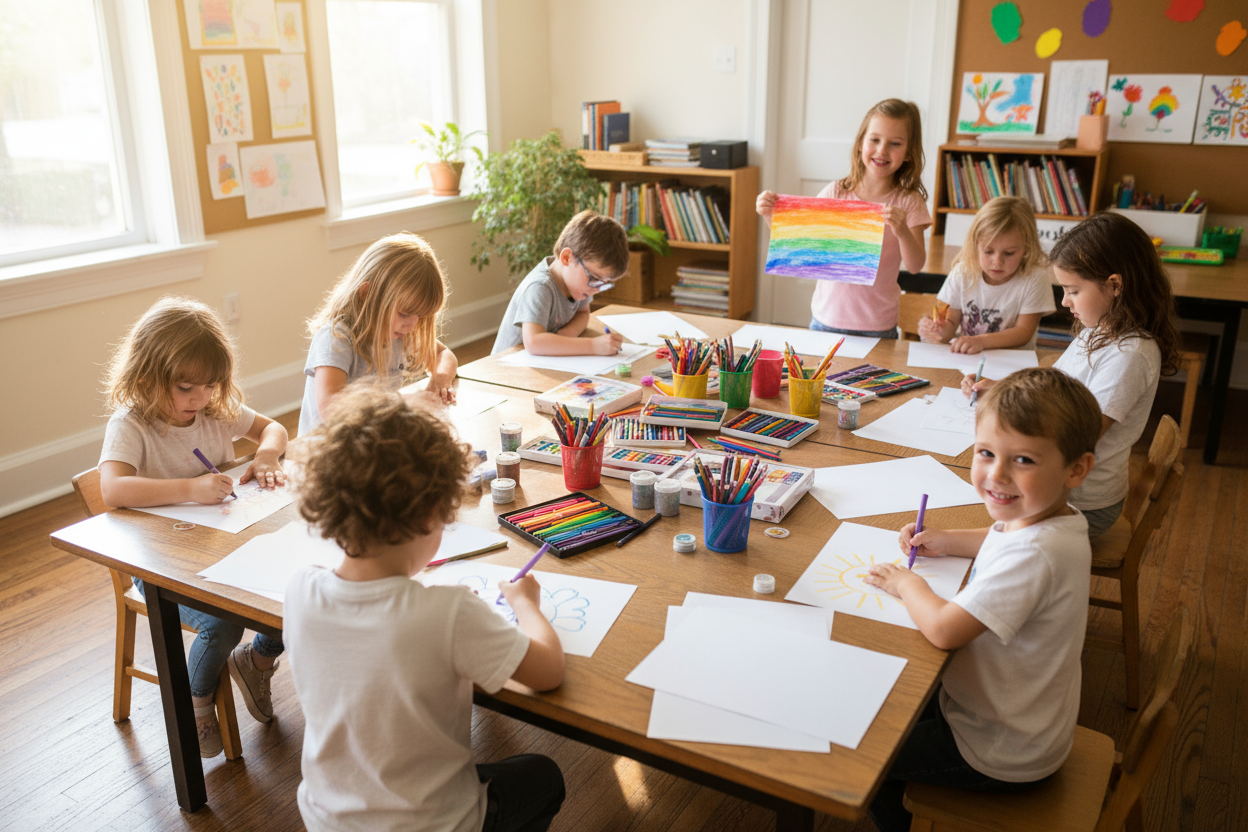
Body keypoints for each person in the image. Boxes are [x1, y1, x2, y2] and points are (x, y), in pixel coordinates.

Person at [285, 382, 566, 832]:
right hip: (433, 825)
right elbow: (548, 671)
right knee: (543, 775)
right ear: (429, 516)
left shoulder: (300, 589)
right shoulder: (447, 612)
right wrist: (526, 604)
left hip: (327, 818)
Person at [863, 367, 1100, 832]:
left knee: (871, 757)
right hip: (1018, 720)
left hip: (997, 750)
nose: (997, 475)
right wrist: (948, 540)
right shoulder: (1052, 519)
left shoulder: (1037, 553)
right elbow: (1001, 537)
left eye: (1023, 461)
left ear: (1077, 468)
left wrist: (907, 585)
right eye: (986, 453)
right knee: (892, 696)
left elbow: (945, 630)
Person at [98, 296, 289, 757]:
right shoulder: (132, 425)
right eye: (187, 388)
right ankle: (196, 700)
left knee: (296, 588)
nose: (200, 398)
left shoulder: (214, 410)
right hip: (161, 569)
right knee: (222, 622)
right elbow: (113, 490)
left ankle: (258, 660)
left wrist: (265, 454)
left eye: (209, 386)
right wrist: (190, 488)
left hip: (224, 550)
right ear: (147, 376)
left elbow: (275, 429)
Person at [963, 212, 1179, 537]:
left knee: (975, 511)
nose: (1064, 301)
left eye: (1073, 290)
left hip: (1083, 506)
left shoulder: (1130, 355)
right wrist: (1002, 390)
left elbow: (1081, 432)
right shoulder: (1101, 328)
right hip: (1057, 486)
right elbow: (1057, 385)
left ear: (1114, 285)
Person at [756, 99, 931, 338]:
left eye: (895, 143)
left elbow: (915, 265)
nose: (882, 150)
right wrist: (770, 214)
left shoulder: (909, 202)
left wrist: (902, 231)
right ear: (861, 143)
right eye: (875, 140)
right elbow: (803, 246)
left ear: (909, 153)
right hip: (825, 319)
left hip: (878, 325)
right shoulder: (836, 192)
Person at [300, 232, 459, 435]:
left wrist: (440, 379)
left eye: (420, 316)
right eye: (404, 313)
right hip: (327, 451)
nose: (412, 325)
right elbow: (333, 411)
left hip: (372, 440)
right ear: (367, 294)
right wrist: (405, 402)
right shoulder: (336, 339)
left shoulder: (397, 331)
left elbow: (442, 354)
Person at [918, 196, 1054, 352]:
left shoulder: (1034, 278)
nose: (997, 261)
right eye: (988, 251)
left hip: (1014, 366)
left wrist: (981, 341)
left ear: (1027, 248)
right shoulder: (963, 272)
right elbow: (950, 326)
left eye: (1009, 253)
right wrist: (937, 330)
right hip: (967, 361)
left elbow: (1023, 333)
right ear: (975, 245)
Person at [491, 209, 630, 355]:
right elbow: (534, 342)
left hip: (543, 362)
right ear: (567, 258)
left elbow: (583, 313)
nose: (597, 289)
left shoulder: (580, 285)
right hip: (508, 368)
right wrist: (593, 346)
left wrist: (565, 336)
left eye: (605, 283)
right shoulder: (540, 287)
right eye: (595, 278)